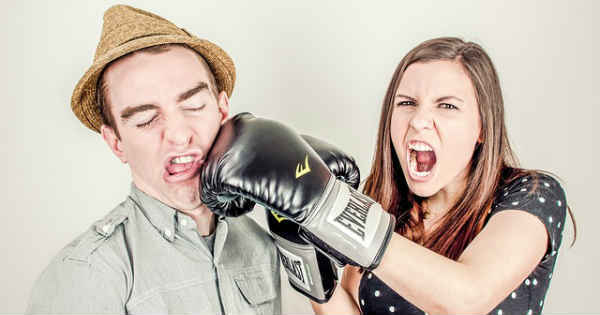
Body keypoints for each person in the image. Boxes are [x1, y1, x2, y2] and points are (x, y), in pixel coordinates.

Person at [199, 37, 576, 315]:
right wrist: (298, 241)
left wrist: (327, 207)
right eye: (407, 103)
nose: (419, 120)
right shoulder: (381, 208)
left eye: (447, 106)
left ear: (482, 127)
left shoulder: (529, 195)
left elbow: (468, 298)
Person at [26, 5, 282, 314]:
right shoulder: (88, 274)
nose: (177, 134)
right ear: (116, 142)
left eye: (194, 105)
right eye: (147, 119)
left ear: (222, 109)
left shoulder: (260, 244)